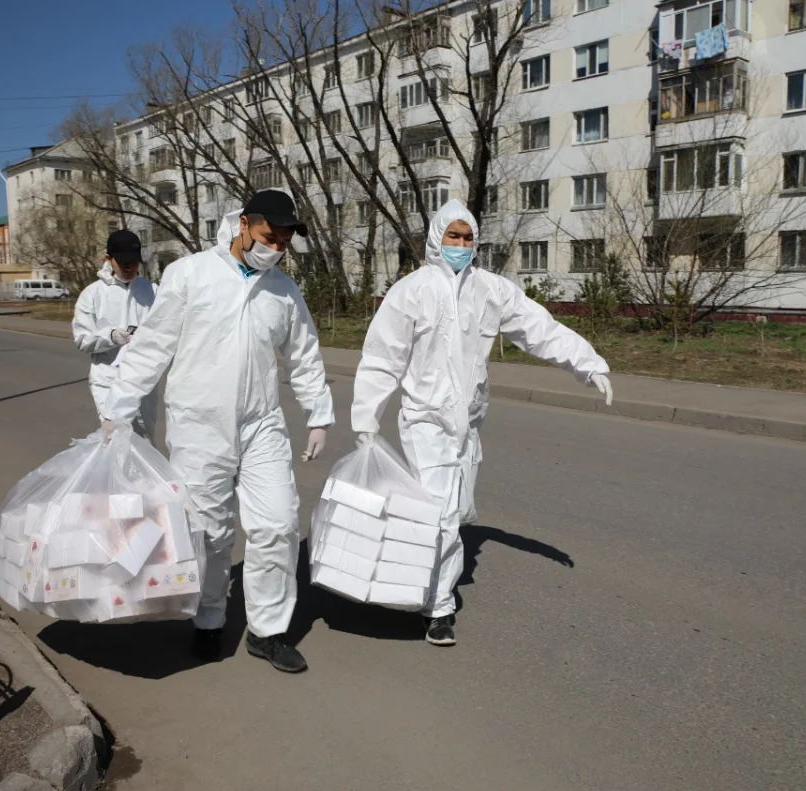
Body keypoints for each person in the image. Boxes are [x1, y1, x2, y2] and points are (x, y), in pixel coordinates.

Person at [351, 200, 613, 646]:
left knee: (454, 508)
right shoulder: (411, 292)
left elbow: (539, 328)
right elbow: (381, 359)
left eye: (468, 238)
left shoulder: (491, 290)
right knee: (444, 513)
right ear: (437, 239)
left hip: (468, 422)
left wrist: (587, 364)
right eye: (453, 236)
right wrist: (365, 418)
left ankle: (414, 583)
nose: (461, 245)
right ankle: (438, 607)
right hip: (425, 419)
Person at [100, 190, 333, 673]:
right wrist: (117, 408)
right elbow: (153, 346)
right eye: (271, 236)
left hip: (261, 423)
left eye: (286, 242)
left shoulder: (283, 290)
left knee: (277, 525)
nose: (277, 248)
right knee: (208, 531)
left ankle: (268, 632)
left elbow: (304, 354)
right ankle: (209, 619)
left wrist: (318, 413)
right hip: (199, 424)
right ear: (244, 224)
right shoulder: (192, 274)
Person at [73, 230, 159, 441]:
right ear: (109, 260)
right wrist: (111, 337)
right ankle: (114, 475)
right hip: (107, 380)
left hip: (143, 381)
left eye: (134, 262)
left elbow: (166, 331)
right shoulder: (93, 294)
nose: (129, 268)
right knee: (115, 440)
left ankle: (144, 476)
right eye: (123, 263)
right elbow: (82, 339)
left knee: (144, 440)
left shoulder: (153, 291)